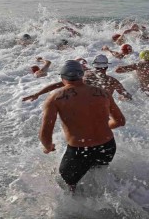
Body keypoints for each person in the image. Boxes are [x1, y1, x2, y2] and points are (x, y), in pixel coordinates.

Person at [39, 60, 126, 191]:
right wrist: (102, 126)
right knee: (98, 171)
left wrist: (48, 147)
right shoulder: (103, 93)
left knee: (65, 184)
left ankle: (76, 207)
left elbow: (46, 132)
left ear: (62, 77)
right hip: (108, 146)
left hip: (80, 151)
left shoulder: (55, 98)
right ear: (82, 75)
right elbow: (120, 121)